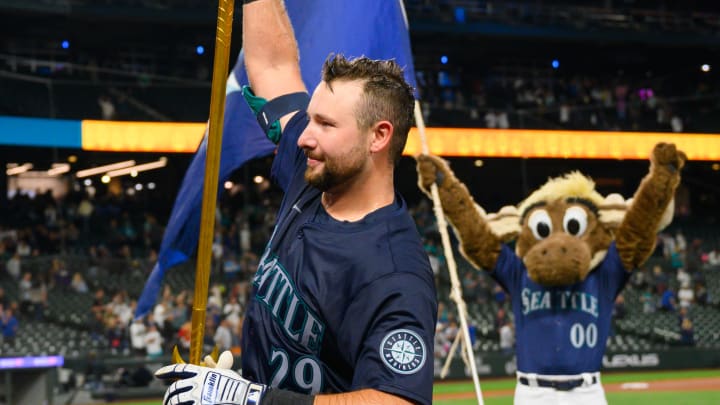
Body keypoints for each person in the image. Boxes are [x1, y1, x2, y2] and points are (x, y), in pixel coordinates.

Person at [155, 0, 437, 404]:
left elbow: (395, 402)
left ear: (379, 136)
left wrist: (252, 399)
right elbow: (273, 67)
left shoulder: (395, 273)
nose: (304, 135)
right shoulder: (315, 176)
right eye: (311, 117)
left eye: (325, 124)